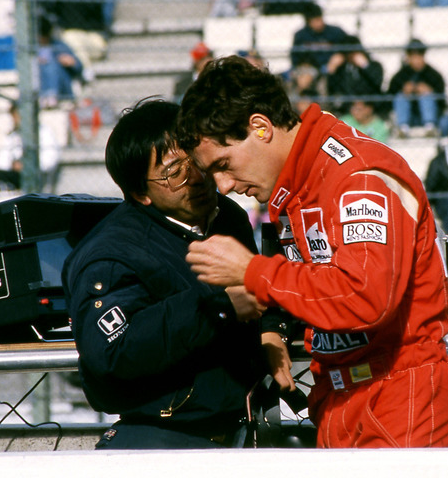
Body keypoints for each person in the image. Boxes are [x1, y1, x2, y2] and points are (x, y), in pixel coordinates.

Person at [177, 56, 448, 448]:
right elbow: (309, 279)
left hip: (401, 396)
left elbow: (364, 296)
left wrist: (253, 272)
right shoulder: (299, 182)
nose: (223, 186)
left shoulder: (357, 176)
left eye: (223, 164)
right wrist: (274, 327)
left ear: (260, 127)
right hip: (340, 398)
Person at [62, 98, 291, 449]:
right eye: (174, 171)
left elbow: (258, 290)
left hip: (242, 429)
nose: (197, 177)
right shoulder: (110, 253)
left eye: (195, 159)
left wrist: (271, 331)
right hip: (161, 440)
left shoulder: (226, 215)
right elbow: (112, 350)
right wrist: (218, 306)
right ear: (141, 193)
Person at [0, 102, 61, 201]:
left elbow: (50, 160)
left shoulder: (44, 133)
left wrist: (27, 166)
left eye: (17, 116)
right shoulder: (14, 135)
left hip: (36, 176)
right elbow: (0, 162)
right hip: (17, 176)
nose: (14, 120)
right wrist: (12, 165)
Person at [387, 38, 445, 137]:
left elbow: (443, 100)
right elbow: (389, 97)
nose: (417, 60)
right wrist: (404, 91)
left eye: (420, 56)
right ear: (408, 57)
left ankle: (429, 127)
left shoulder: (433, 74)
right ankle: (403, 129)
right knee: (401, 97)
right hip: (409, 116)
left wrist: (430, 91)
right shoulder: (400, 75)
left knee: (426, 95)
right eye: (414, 56)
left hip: (429, 116)